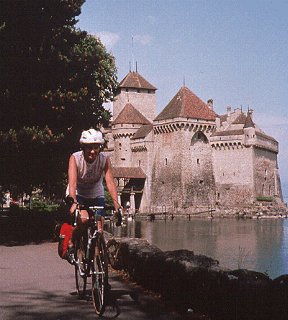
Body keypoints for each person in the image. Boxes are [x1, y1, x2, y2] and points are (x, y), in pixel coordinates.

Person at [66, 128, 121, 263]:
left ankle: (97, 259)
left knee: (99, 226)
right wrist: (73, 202)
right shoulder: (75, 158)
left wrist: (117, 204)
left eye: (96, 148)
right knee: (83, 220)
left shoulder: (104, 159)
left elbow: (110, 182)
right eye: (89, 148)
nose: (92, 151)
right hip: (78, 191)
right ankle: (72, 242)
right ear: (83, 147)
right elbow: (72, 183)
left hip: (95, 191)